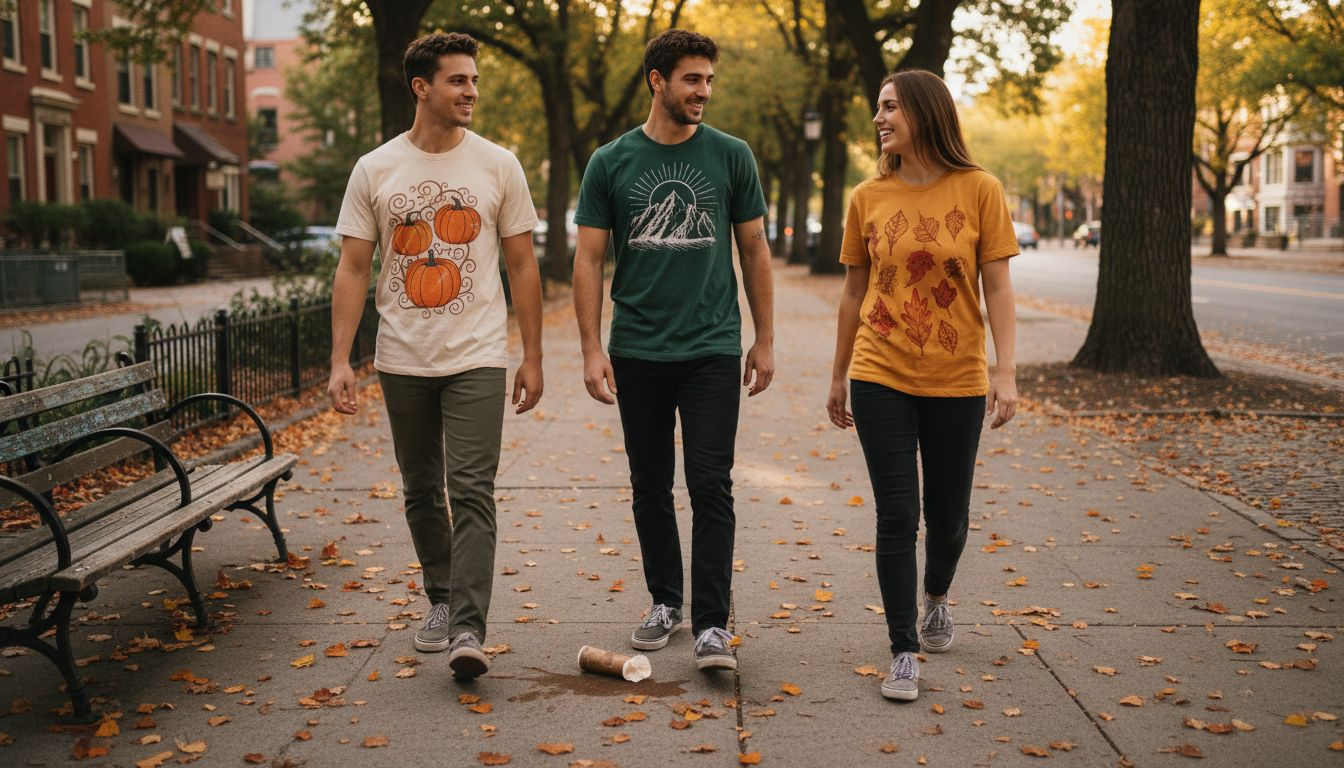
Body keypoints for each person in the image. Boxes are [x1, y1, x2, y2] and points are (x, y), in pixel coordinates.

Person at [327, 32, 543, 681]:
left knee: (471, 488)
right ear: (421, 87)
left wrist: (532, 355)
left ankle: (469, 627)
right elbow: (353, 266)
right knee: (422, 490)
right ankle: (442, 599)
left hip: (477, 352)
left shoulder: (498, 163)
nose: (471, 91)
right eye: (458, 81)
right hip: (401, 356)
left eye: (474, 80)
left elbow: (523, 263)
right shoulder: (376, 168)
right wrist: (342, 359)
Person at [572, 29, 775, 672]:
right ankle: (666, 601)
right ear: (657, 81)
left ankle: (713, 624)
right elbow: (589, 259)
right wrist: (589, 348)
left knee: (711, 483)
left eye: (709, 80)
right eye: (692, 79)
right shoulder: (611, 162)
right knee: (650, 484)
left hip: (712, 346)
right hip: (636, 348)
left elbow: (754, 250)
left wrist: (763, 338)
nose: (704, 92)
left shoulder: (732, 156)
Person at [826, 69, 1019, 701]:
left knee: (949, 518)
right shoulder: (867, 198)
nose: (879, 118)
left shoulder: (980, 189)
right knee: (896, 515)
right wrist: (837, 376)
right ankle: (903, 649)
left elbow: (998, 287)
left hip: (957, 375)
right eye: (877, 108)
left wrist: (1006, 371)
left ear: (924, 112)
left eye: (889, 107)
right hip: (879, 372)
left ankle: (937, 594)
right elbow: (853, 292)